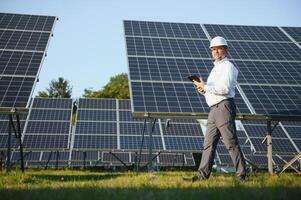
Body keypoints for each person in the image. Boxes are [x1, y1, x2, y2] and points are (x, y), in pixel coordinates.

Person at [183, 36, 247, 181]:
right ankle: (201, 175)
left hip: (224, 106)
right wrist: (204, 89)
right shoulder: (215, 69)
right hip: (213, 109)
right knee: (208, 143)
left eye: (219, 48)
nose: (216, 51)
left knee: (230, 142)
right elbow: (214, 89)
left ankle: (241, 175)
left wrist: (206, 87)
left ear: (226, 50)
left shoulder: (228, 66)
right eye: (213, 49)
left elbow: (225, 88)